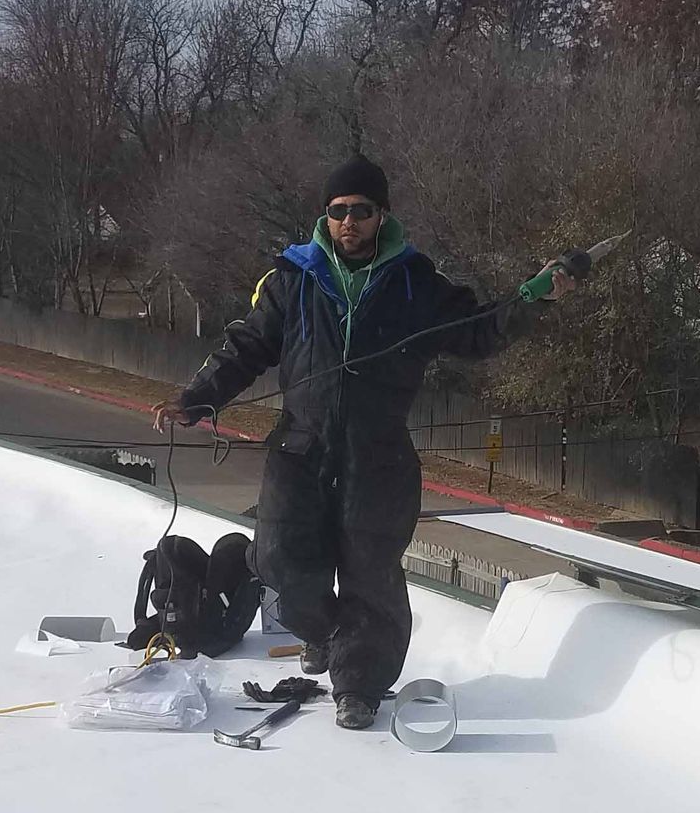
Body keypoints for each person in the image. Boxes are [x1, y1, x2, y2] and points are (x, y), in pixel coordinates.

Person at [155, 157, 579, 729]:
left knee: (370, 571)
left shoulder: (415, 283)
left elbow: (478, 330)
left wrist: (534, 299)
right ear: (325, 218)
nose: (348, 221)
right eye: (338, 212)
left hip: (378, 454)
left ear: (382, 216)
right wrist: (196, 398)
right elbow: (246, 348)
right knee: (277, 556)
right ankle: (331, 634)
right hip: (300, 446)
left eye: (360, 210)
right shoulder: (293, 280)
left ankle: (359, 685)